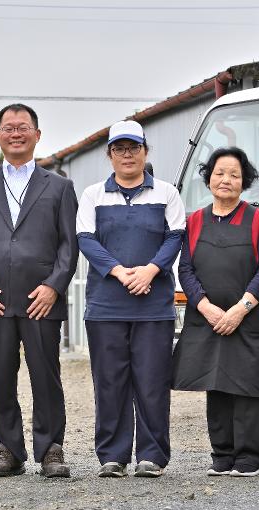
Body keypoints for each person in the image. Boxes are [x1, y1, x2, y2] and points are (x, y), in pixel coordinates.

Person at [0, 103, 78, 478]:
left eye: (23, 127)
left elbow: (69, 245)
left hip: (41, 298)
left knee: (46, 375)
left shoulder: (59, 186)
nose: (15, 133)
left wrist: (54, 286)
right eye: (8, 128)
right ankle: (8, 448)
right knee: (0, 377)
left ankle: (51, 448)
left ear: (37, 135)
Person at [172, 147, 259, 477]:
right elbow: (185, 270)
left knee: (248, 386)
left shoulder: (257, 220)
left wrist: (240, 310)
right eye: (220, 173)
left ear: (244, 181)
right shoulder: (194, 221)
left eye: (234, 175)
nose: (226, 179)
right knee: (216, 385)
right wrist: (205, 307)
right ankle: (222, 455)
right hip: (208, 319)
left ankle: (251, 458)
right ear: (209, 178)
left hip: (250, 319)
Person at [76, 120, 185, 478]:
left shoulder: (167, 193)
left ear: (145, 151)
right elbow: (86, 240)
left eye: (133, 148)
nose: (127, 155)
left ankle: (152, 455)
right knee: (110, 382)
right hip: (106, 307)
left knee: (152, 381)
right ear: (109, 155)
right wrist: (121, 273)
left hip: (153, 306)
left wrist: (150, 271)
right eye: (119, 149)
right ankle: (113, 455)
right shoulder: (93, 195)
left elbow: (175, 237)